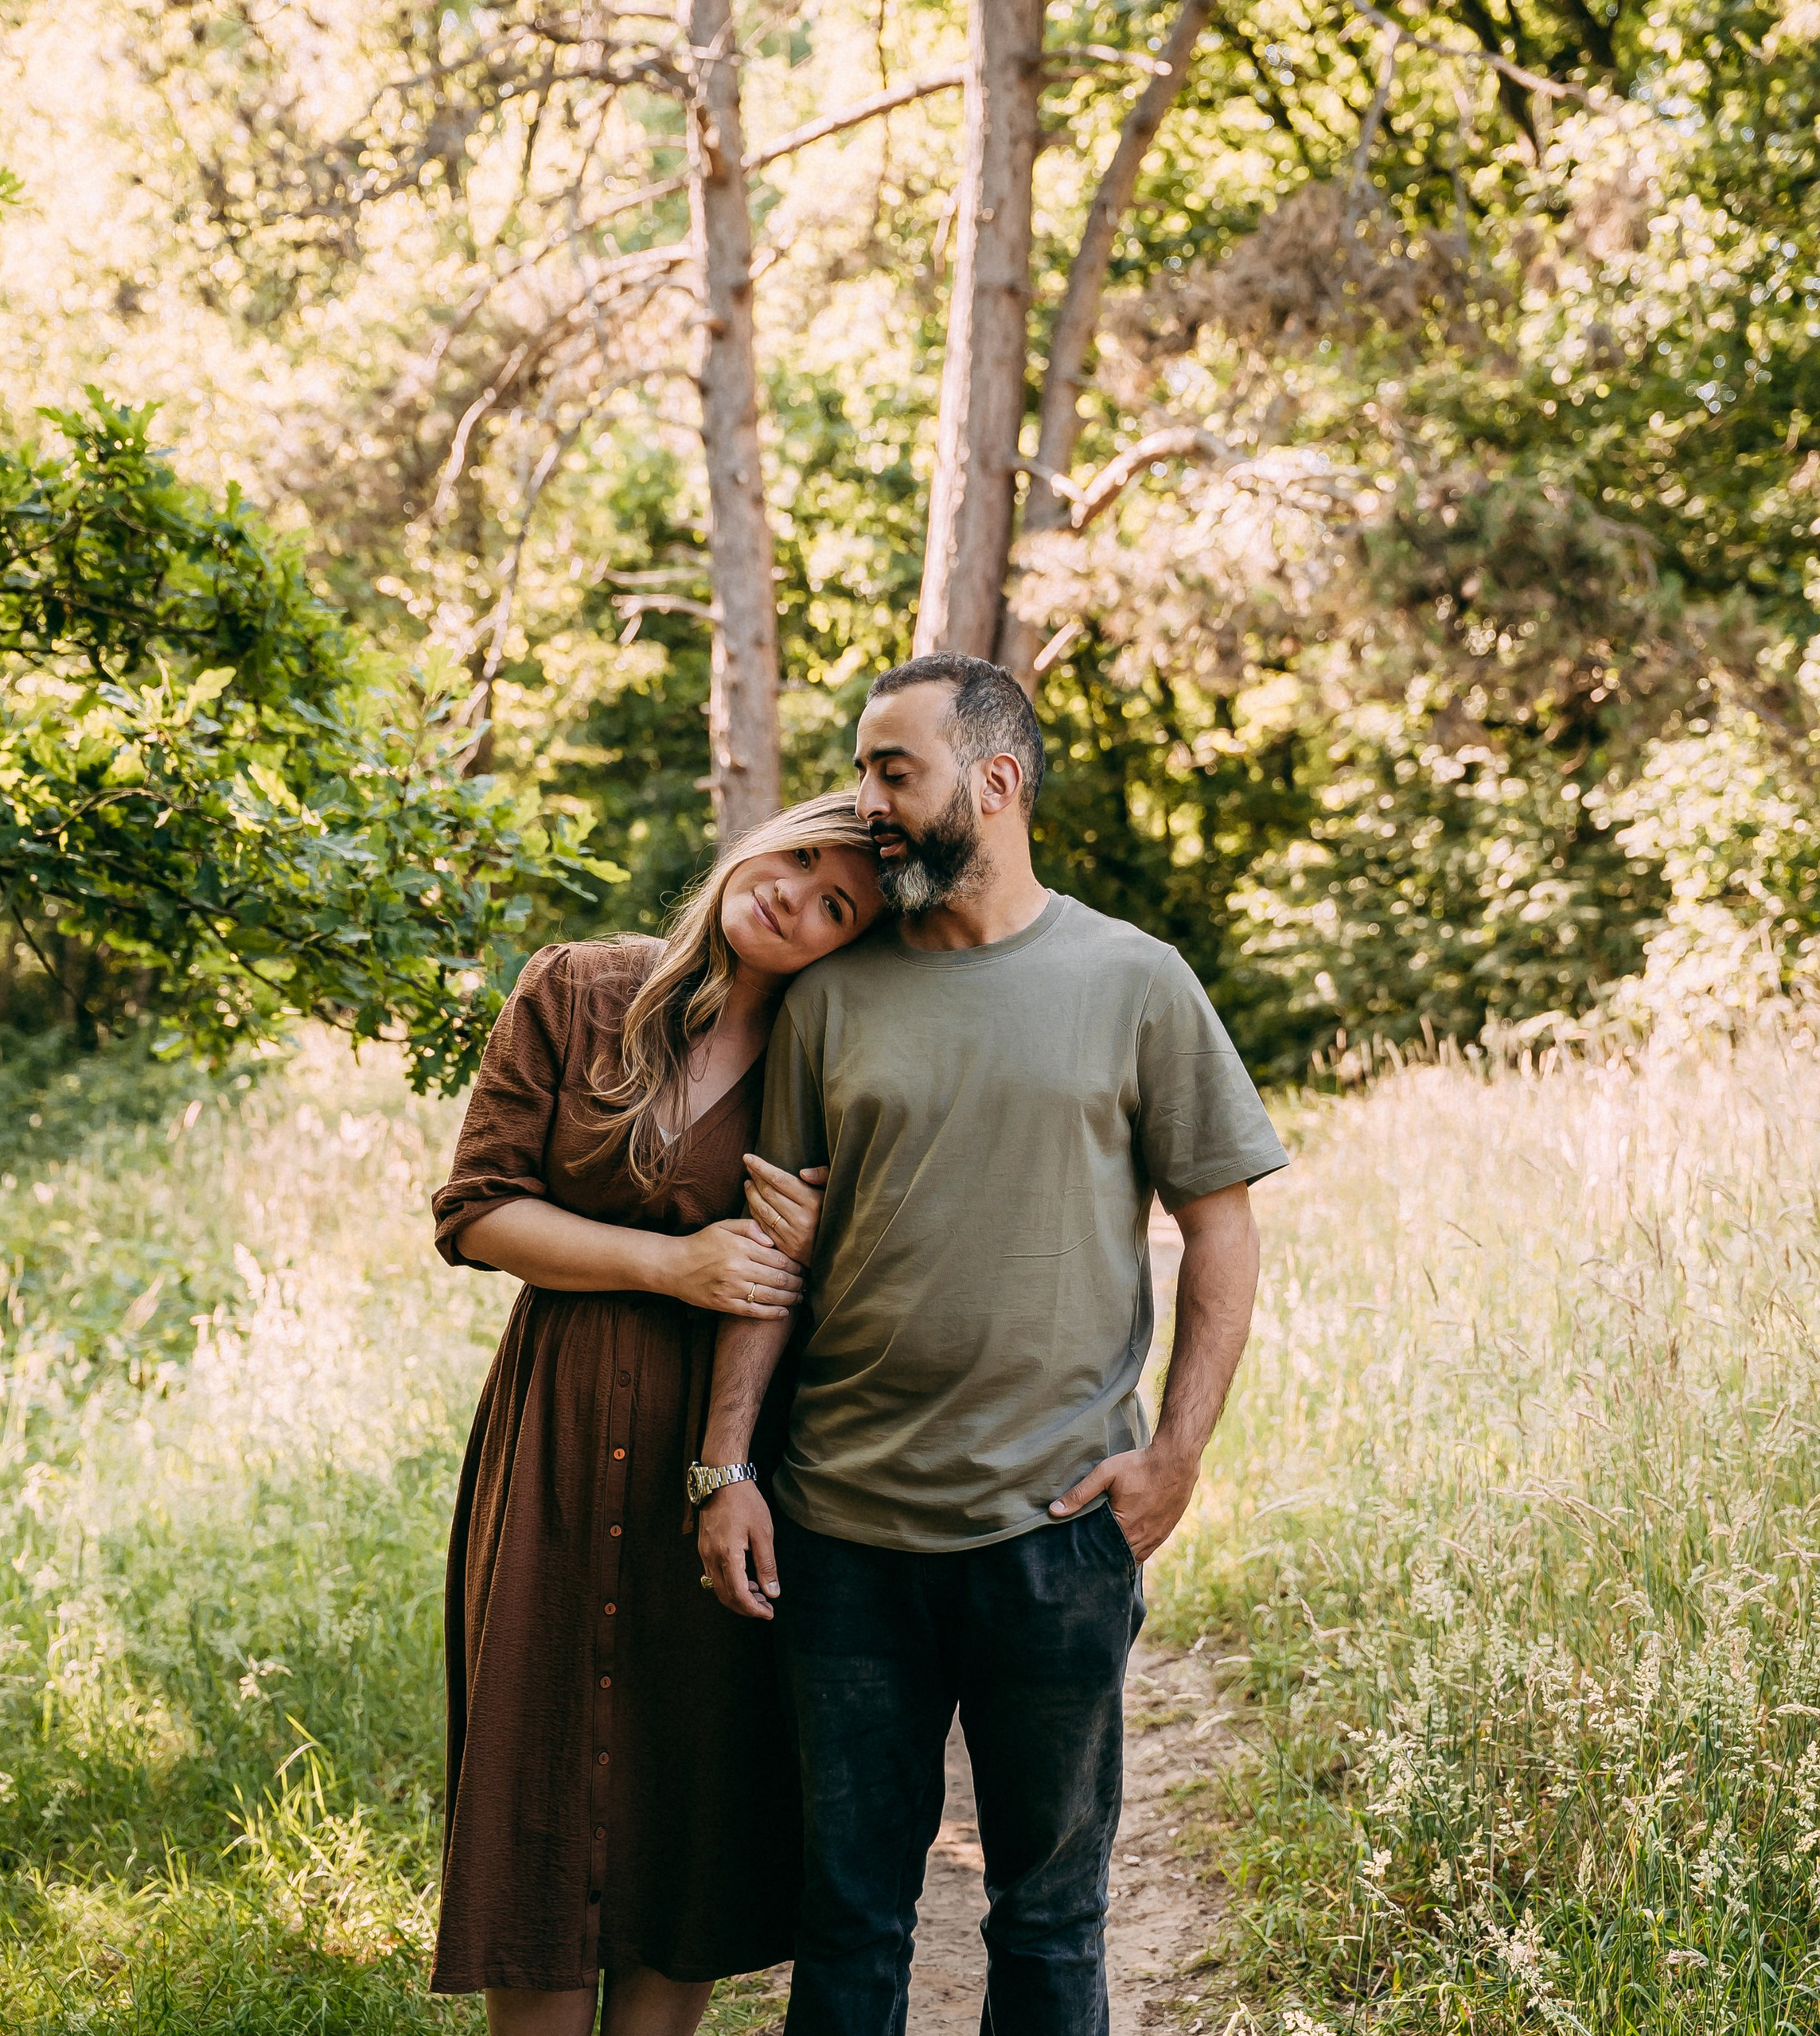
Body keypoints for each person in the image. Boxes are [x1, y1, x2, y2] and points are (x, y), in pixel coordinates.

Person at [694, 653, 1289, 2036]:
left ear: (997, 782)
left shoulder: (1135, 981)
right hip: (841, 1536)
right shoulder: (833, 995)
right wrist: (726, 1468)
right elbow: (767, 1252)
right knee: (847, 1922)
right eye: (862, 772)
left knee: (1048, 1918)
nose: (866, 805)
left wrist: (1179, 1460)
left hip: (1056, 1533)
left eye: (893, 772)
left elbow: (1224, 1230)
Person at [428, 791, 884, 2036]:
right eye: (798, 859)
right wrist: (670, 1265)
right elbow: (474, 1211)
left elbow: (856, 1269)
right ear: (759, 839)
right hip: (557, 1434)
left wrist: (833, 1237)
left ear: (850, 946)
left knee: (687, 1789)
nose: (795, 896)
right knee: (534, 1765)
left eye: (836, 904)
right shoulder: (577, 989)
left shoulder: (827, 1060)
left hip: (717, 1447)